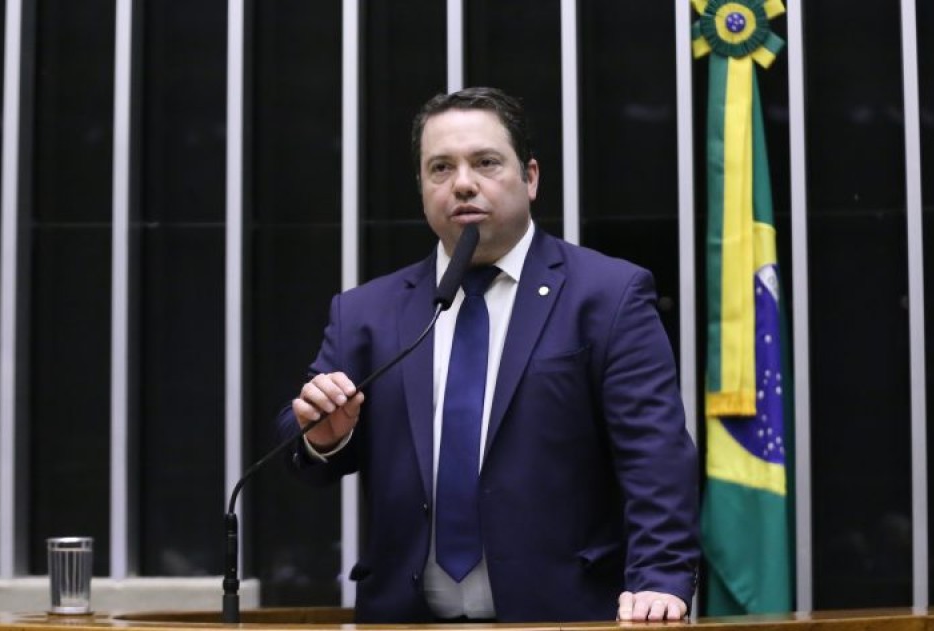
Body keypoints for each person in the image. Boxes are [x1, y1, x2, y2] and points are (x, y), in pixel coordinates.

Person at [282, 86, 699, 623]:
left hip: (564, 616)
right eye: (440, 168)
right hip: (403, 618)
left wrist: (660, 577)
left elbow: (653, 452)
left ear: (530, 177)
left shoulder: (607, 296)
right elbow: (301, 442)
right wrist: (323, 436)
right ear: (422, 188)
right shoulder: (366, 311)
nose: (462, 183)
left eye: (485, 162)